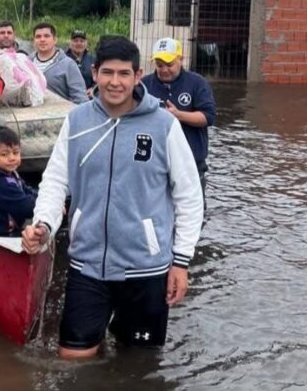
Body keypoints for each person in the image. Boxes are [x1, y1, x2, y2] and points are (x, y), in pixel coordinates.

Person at [22, 36, 204, 358]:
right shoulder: (76, 121)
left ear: (138, 76)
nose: (115, 82)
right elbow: (55, 180)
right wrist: (44, 225)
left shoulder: (164, 126)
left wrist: (181, 261)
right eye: (107, 73)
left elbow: (188, 196)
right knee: (73, 359)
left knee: (137, 364)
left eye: (123, 74)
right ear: (94, 73)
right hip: (87, 264)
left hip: (146, 269)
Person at [141, 38, 216, 201]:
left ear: (181, 60)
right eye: (160, 65)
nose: (164, 70)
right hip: (155, 163)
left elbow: (208, 117)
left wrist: (177, 115)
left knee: (193, 216)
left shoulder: (197, 83)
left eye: (169, 65)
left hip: (191, 163)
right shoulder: (144, 85)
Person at [29, 22, 88, 105]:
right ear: (34, 41)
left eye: (46, 36)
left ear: (55, 40)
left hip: (59, 115)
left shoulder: (68, 65)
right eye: (38, 37)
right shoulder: (26, 63)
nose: (42, 39)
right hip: (30, 116)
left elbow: (80, 98)